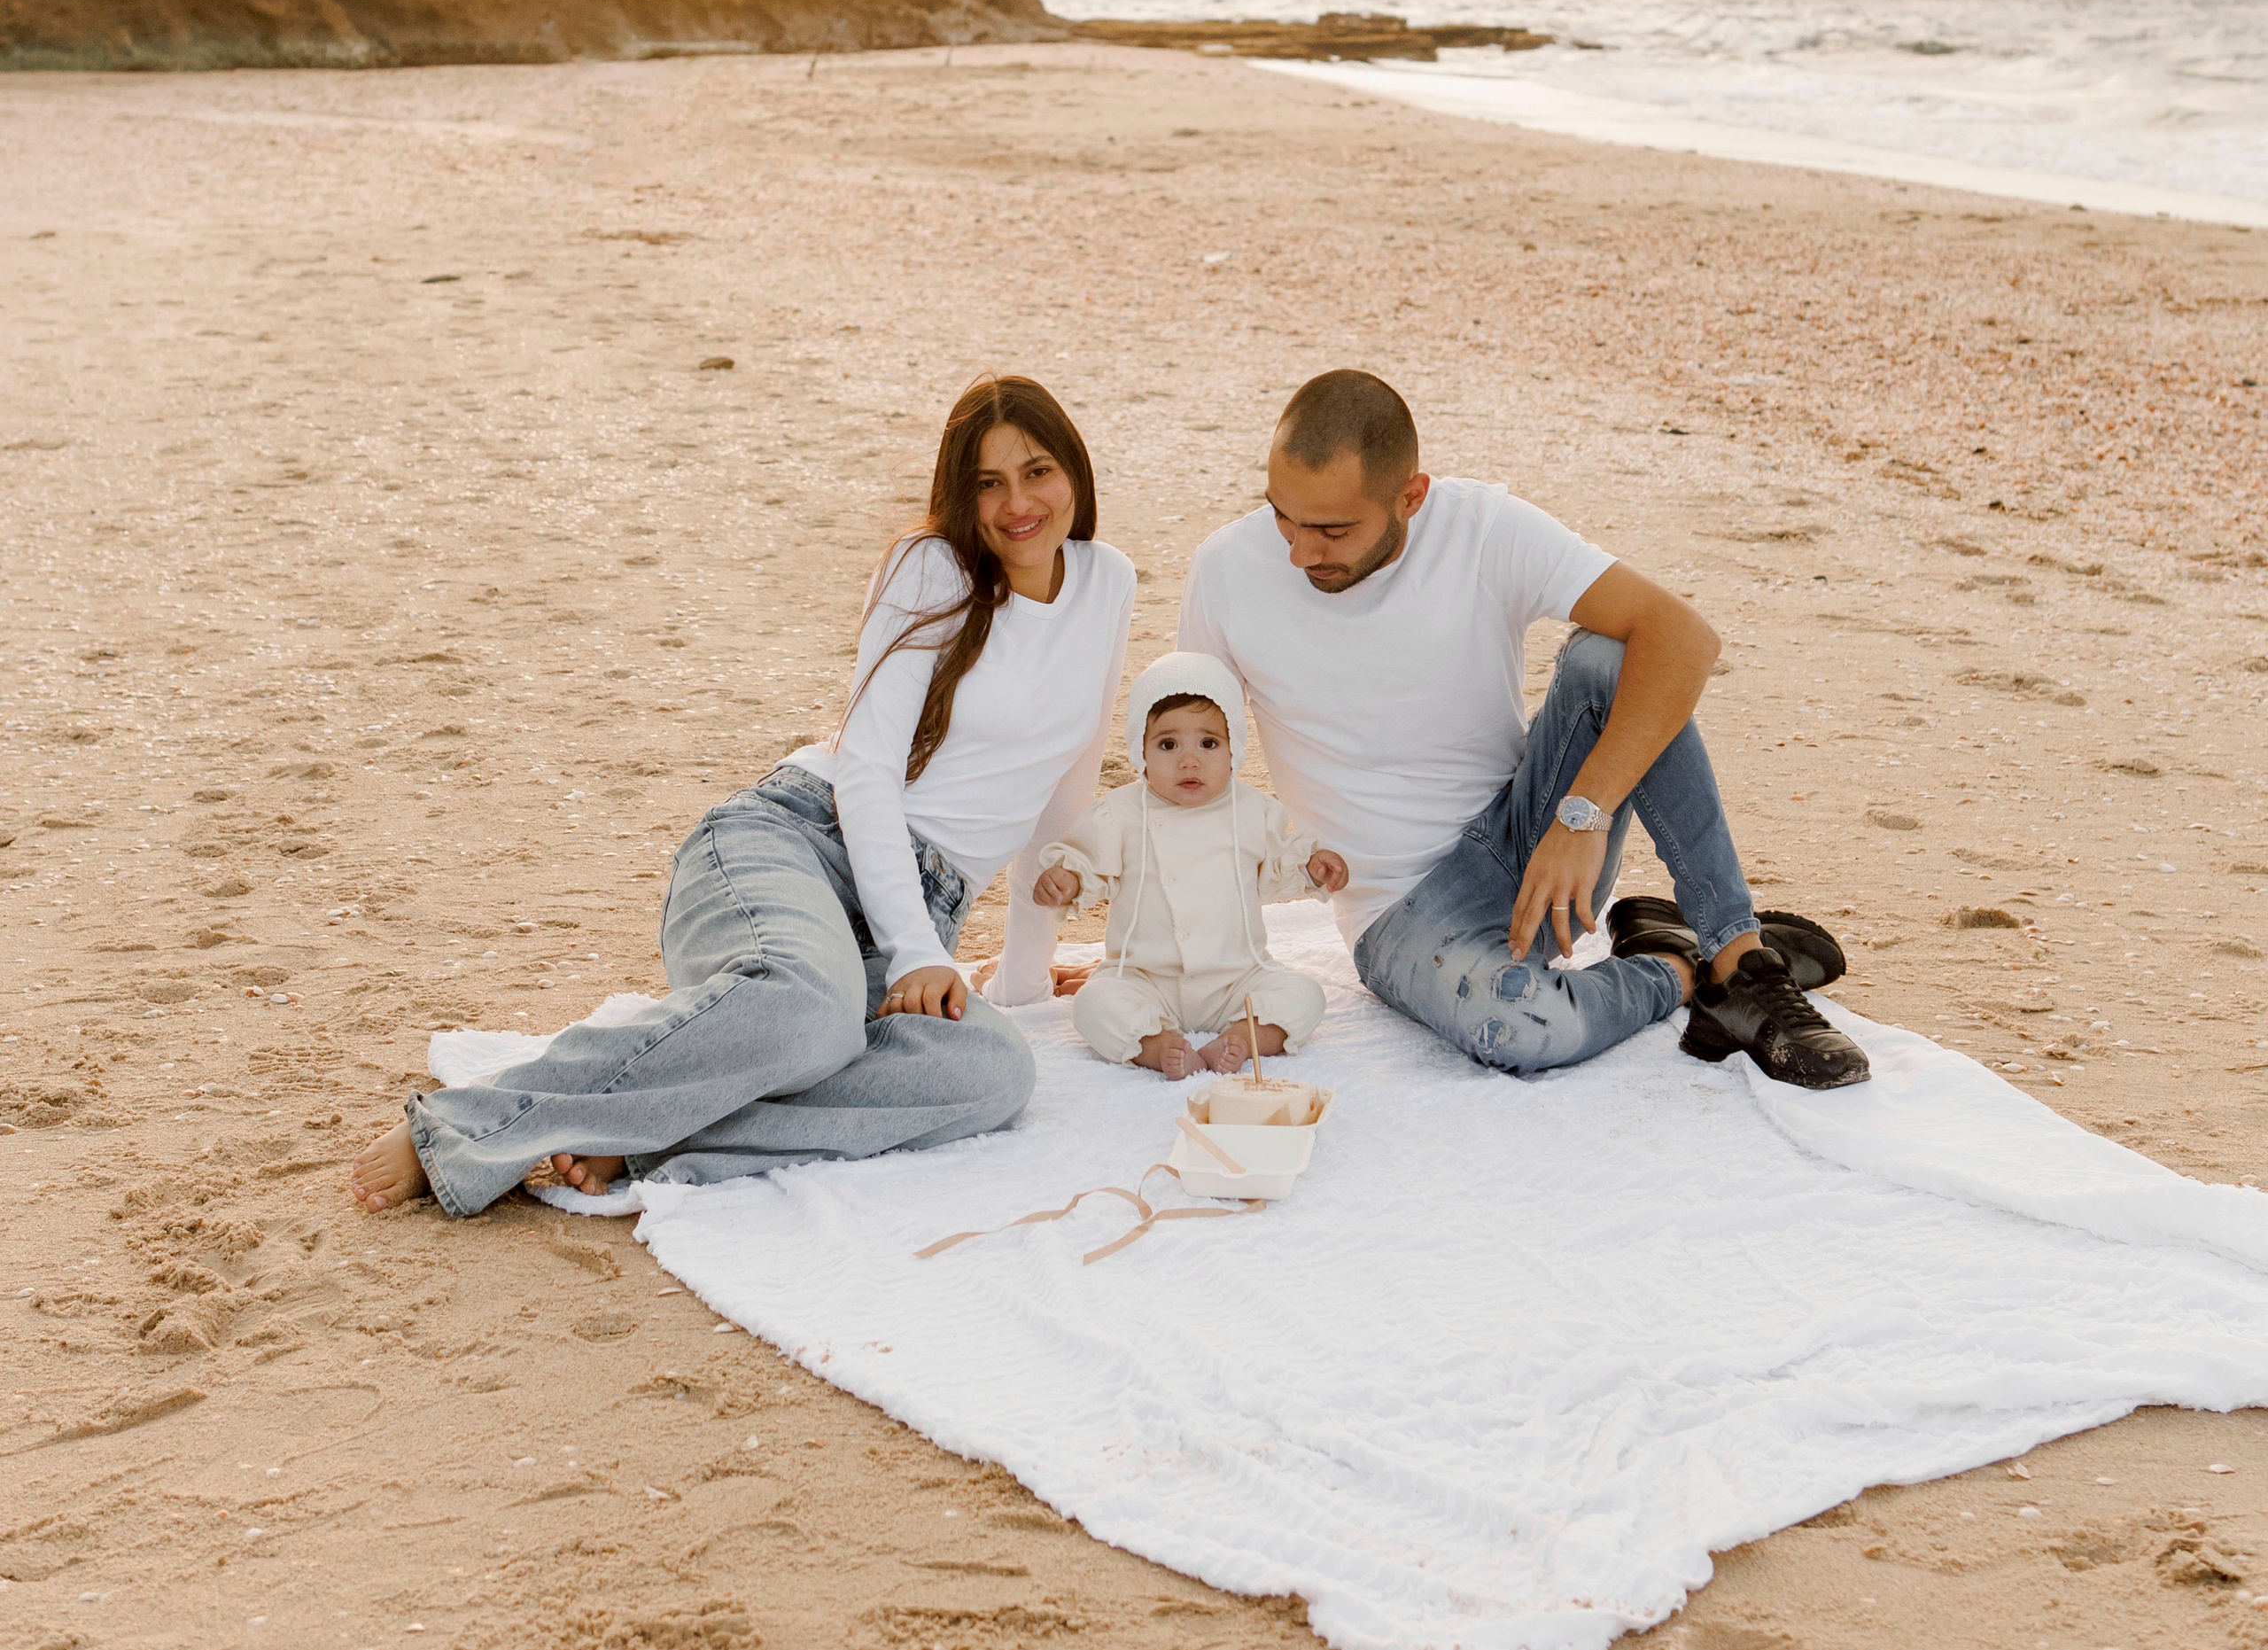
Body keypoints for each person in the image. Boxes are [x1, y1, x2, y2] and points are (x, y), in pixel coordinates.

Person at [348, 376, 1136, 1214]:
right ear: (958, 494)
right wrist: (916, 951)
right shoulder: (931, 567)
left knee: (991, 1072)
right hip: (795, 844)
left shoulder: (1107, 582)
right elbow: (867, 770)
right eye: (987, 482)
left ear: (1076, 474)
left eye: (1037, 471)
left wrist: (1022, 972)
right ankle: (464, 1127)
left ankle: (653, 1132)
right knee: (812, 1013)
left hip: (918, 914)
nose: (1018, 503)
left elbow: (1066, 779)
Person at [1147, 368, 1864, 1093]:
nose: (1300, 553)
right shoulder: (1227, 570)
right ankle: (1680, 969)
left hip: (1535, 842)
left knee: (1617, 656)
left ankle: (1740, 958)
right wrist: (1158, 948)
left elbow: (1685, 638)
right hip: (1397, 915)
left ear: (1411, 497)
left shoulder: (1481, 528)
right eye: (1283, 517)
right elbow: (1191, 777)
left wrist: (1582, 818)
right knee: (1517, 1032)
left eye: (1333, 530)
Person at [1034, 652, 1349, 1081]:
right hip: (1146, 978)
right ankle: (1156, 1044)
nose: (1189, 760)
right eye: (1168, 745)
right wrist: (1066, 879)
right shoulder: (1120, 813)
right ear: (1138, 749)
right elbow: (1089, 864)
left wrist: (1312, 868)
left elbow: (1277, 871)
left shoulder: (1253, 811)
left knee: (1305, 994)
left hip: (1237, 979)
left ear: (1234, 747)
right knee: (1094, 1003)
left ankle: (1245, 1035)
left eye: (1208, 743)